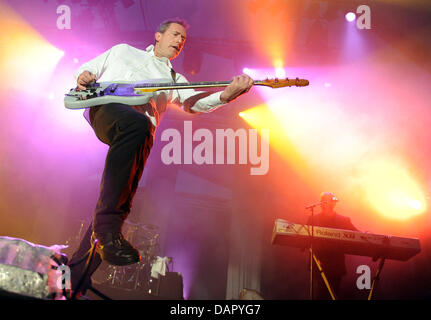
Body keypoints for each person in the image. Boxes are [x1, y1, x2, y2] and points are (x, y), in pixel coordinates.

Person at [67, 19, 254, 297]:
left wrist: (227, 95)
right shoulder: (122, 51)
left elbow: (195, 103)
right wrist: (84, 76)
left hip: (141, 134)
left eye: (184, 39)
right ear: (158, 35)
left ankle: (75, 279)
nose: (180, 41)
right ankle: (107, 229)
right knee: (138, 126)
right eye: (176, 34)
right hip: (108, 111)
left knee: (122, 196)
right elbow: (88, 70)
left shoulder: (175, 80)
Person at [306, 192, 358, 300]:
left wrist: (367, 235)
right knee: (319, 295)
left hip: (336, 265)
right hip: (318, 262)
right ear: (322, 203)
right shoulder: (313, 219)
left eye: (332, 200)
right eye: (327, 200)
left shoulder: (344, 220)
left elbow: (358, 235)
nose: (331, 202)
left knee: (333, 295)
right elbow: (305, 240)